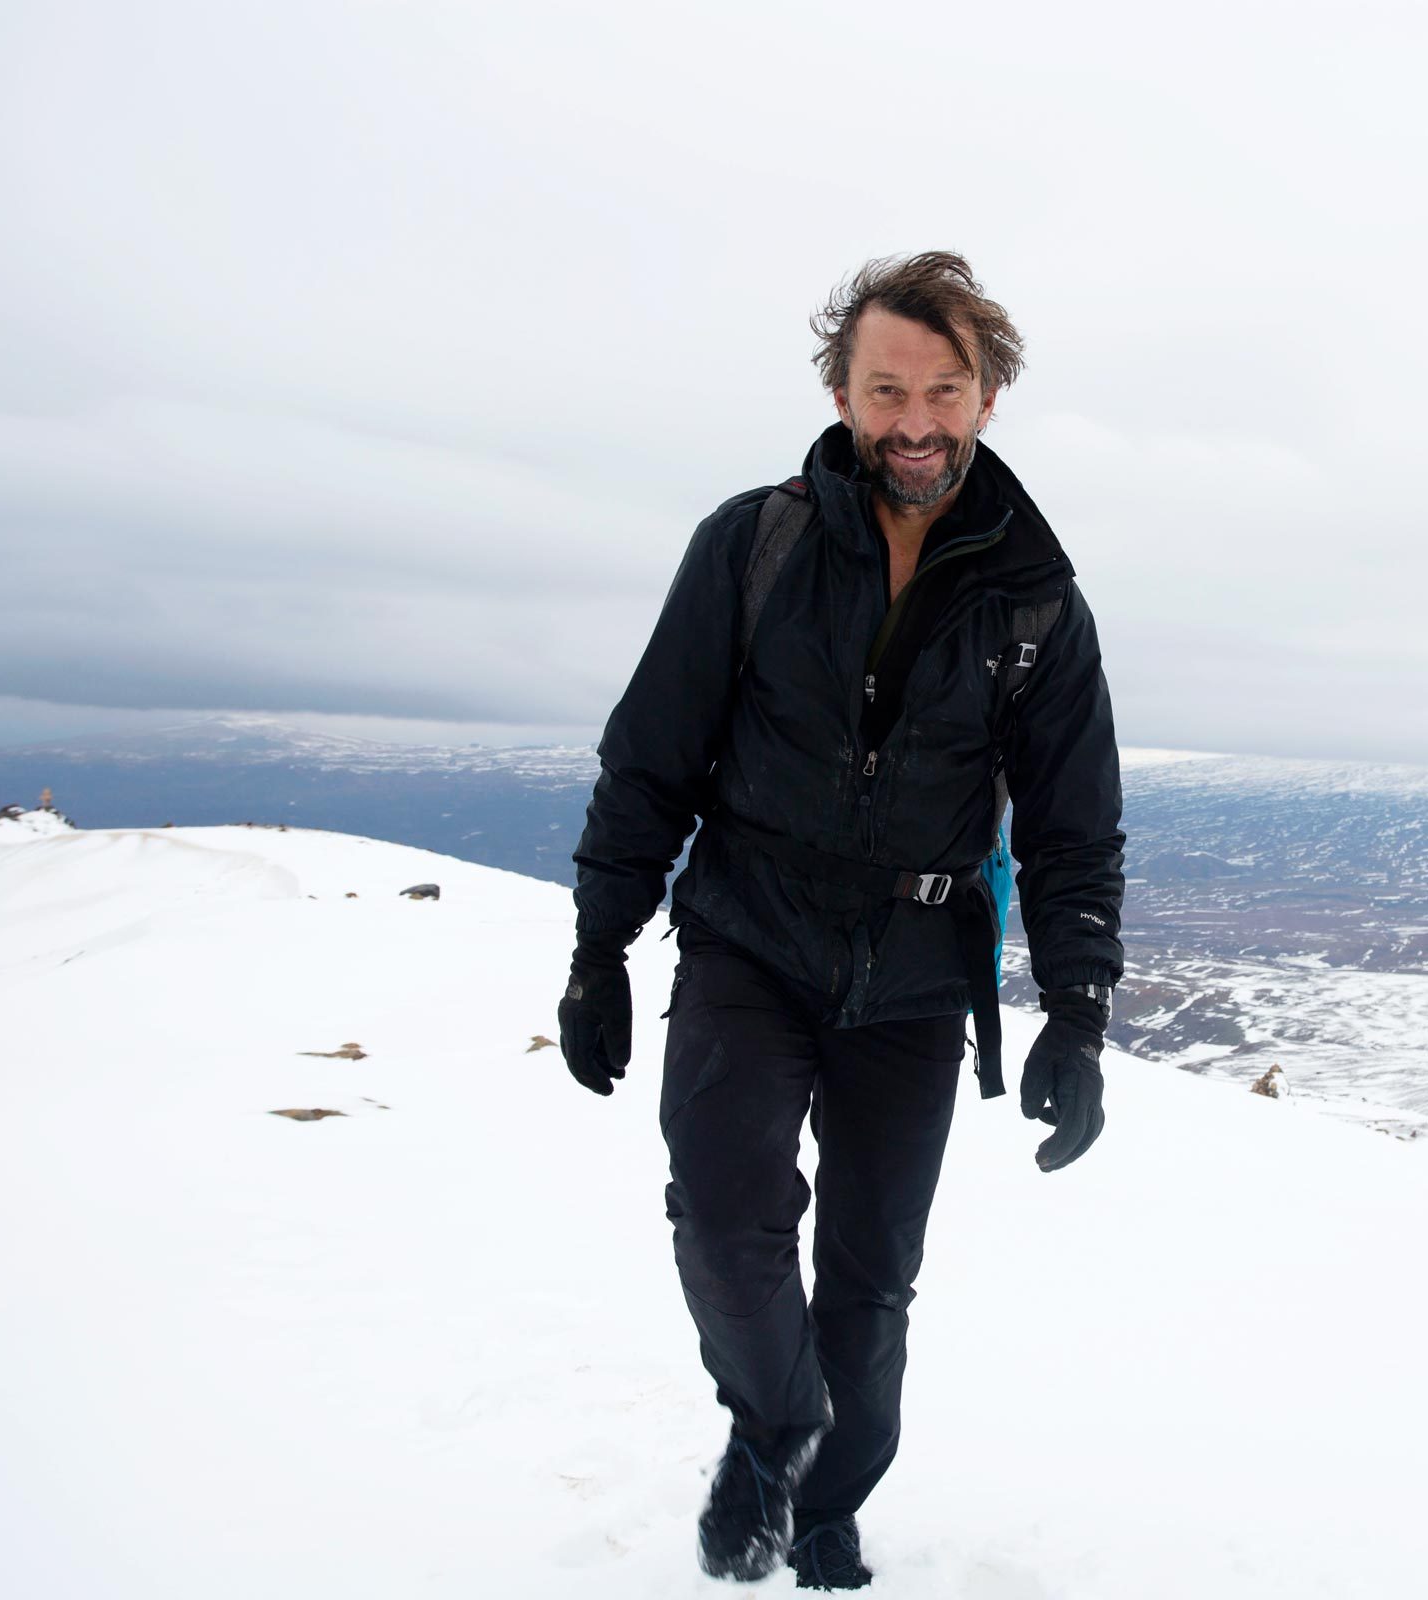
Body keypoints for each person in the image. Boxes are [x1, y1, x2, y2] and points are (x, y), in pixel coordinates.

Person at [559, 252, 1126, 1590]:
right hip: (750, 937)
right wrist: (599, 946)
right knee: (720, 1209)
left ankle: (825, 1507)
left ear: (987, 399)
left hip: (921, 978)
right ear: (841, 389)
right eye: (888, 390)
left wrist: (1082, 1014)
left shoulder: (1037, 602)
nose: (916, 421)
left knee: (870, 1286)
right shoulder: (752, 547)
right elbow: (653, 756)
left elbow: (1071, 825)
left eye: (945, 389)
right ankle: (777, 1430)